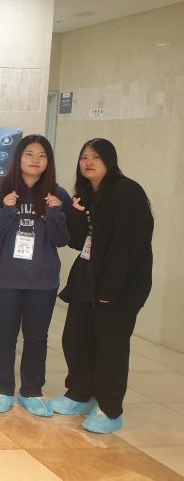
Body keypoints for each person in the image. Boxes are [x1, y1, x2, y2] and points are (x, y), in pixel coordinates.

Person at [51, 138, 153, 434]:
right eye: (84, 157)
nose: (88, 162)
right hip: (87, 279)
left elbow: (128, 245)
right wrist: (75, 212)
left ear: (110, 160)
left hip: (120, 286)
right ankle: (80, 394)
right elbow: (76, 241)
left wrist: (110, 289)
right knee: (76, 338)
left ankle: (110, 410)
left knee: (110, 347)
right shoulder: (87, 194)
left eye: (96, 157)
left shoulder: (126, 191)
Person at [0, 134, 70, 418]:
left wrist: (55, 213)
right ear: (18, 158)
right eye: (29, 154)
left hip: (42, 280)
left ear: (48, 162)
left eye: (42, 156)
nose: (35, 160)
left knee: (36, 338)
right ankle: (1, 390)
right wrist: (7, 210)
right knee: (5, 334)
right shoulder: (0, 191)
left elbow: (62, 240)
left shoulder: (57, 194)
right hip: (5, 278)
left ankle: (32, 391)